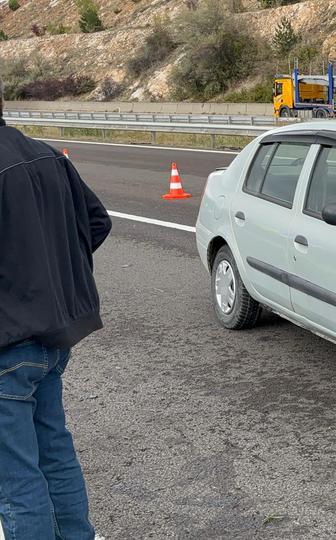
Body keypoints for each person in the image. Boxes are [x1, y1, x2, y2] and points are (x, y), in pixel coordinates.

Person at [0, 81, 111, 539]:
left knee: (16, 480)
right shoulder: (47, 155)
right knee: (55, 454)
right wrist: (53, 279)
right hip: (51, 339)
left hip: (6, 346)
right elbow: (97, 222)